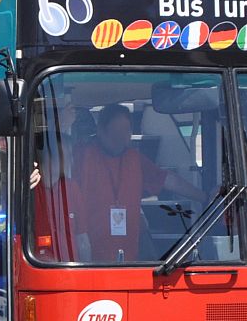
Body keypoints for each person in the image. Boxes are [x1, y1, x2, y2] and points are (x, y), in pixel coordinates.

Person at [72, 104, 203, 263]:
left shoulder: (135, 159)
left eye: (126, 132)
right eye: (116, 133)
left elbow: (169, 180)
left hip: (129, 259)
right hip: (88, 262)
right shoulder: (82, 156)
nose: (122, 138)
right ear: (101, 131)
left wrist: (204, 197)